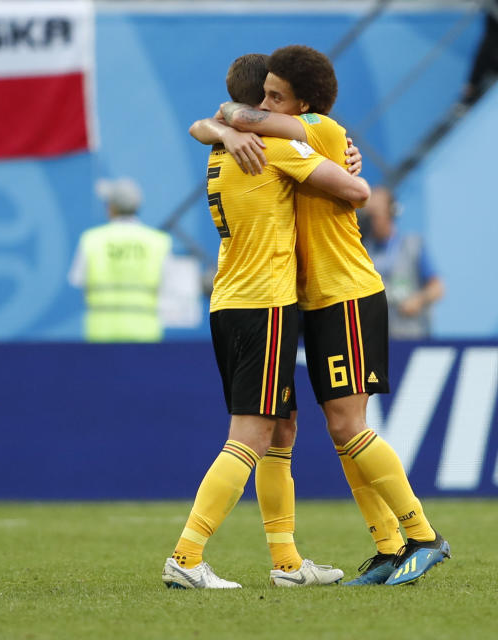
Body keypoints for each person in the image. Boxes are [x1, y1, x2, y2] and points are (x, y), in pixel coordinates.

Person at [216, 45, 451, 586]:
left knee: (348, 425)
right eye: (266, 93)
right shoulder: (288, 137)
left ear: (304, 103)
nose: (266, 104)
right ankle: (390, 546)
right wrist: (223, 127)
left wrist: (230, 120)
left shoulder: (314, 130)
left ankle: (422, 536)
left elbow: (234, 113)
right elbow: (217, 120)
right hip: (318, 300)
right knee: (341, 428)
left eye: (277, 96)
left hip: (347, 293)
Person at [161, 53, 370, 589]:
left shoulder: (218, 143)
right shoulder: (274, 146)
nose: (276, 105)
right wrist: (342, 162)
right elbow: (355, 193)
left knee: (282, 428)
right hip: (266, 305)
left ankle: (287, 563)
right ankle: (186, 556)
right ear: (261, 105)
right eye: (272, 98)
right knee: (251, 435)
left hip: (229, 300)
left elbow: (203, 122)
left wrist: (226, 130)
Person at [66, 178, 172, 342]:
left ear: (112, 208)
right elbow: (169, 288)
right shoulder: (158, 242)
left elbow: (77, 280)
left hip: (101, 335)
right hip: (144, 335)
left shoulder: (92, 240)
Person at [360, 187, 444, 339]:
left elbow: (437, 288)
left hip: (411, 334)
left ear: (391, 213)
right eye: (369, 216)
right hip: (377, 338)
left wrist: (418, 300)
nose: (372, 222)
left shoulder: (413, 245)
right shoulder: (363, 251)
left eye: (376, 215)